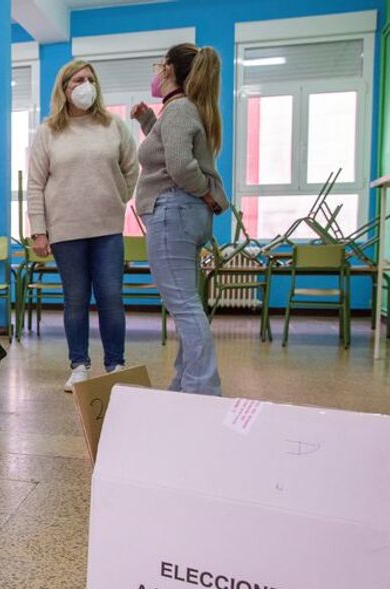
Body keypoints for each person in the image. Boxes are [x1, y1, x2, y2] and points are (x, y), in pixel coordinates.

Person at [27, 59, 138, 392]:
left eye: (90, 79)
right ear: (64, 89)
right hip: (65, 230)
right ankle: (79, 365)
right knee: (75, 299)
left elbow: (131, 169)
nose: (86, 84)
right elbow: (35, 184)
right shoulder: (48, 131)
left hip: (107, 229)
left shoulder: (114, 126)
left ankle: (115, 365)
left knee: (111, 297)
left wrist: (118, 198)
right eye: (78, 80)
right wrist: (39, 230)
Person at [131, 43, 229, 396]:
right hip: (184, 214)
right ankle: (185, 384)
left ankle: (202, 391)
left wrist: (203, 190)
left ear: (169, 70)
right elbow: (167, 149)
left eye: (160, 66)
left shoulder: (179, 109)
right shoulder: (183, 110)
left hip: (172, 212)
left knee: (185, 307)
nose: (156, 73)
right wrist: (147, 122)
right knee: (188, 304)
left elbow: (180, 166)